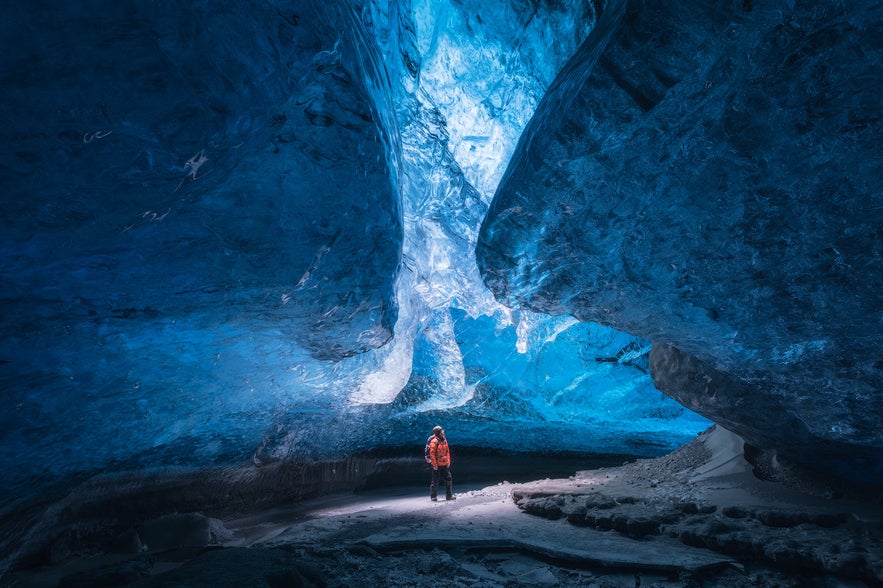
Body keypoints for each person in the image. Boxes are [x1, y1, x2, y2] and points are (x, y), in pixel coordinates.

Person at [428, 425, 455, 501]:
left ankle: (449, 496)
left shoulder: (444, 440)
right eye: (441, 430)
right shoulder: (434, 441)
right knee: (435, 481)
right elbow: (432, 454)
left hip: (444, 464)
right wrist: (434, 464)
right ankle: (433, 496)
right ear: (438, 432)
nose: (443, 431)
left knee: (448, 479)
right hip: (437, 465)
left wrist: (448, 461)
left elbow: (447, 451)